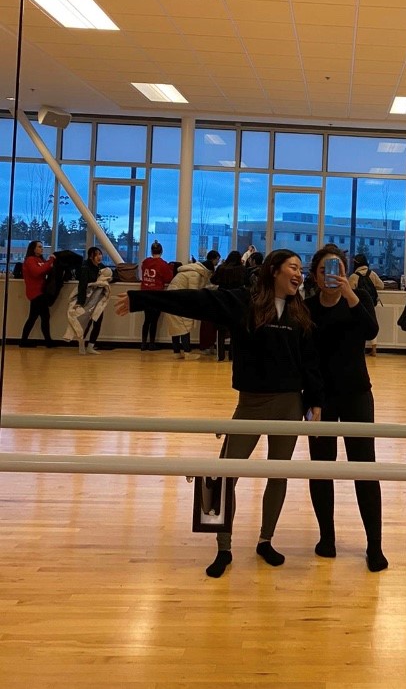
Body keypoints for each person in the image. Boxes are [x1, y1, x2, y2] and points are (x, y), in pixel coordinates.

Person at [116, 248, 323, 578]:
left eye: (301, 269)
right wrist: (141, 299)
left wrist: (315, 402)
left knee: (278, 475)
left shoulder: (301, 312)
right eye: (293, 267)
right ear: (274, 270)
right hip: (251, 404)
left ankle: (266, 541)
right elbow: (195, 301)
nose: (299, 274)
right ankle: (223, 548)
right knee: (224, 476)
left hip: (289, 405)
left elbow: (310, 361)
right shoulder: (244, 302)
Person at [305, 244, 388, 572]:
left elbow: (371, 331)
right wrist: (312, 401)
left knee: (364, 467)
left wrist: (349, 293)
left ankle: (374, 545)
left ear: (345, 272)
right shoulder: (308, 307)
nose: (330, 275)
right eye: (324, 270)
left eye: (337, 269)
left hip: (356, 394)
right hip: (321, 399)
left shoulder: (359, 299)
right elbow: (307, 357)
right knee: (321, 468)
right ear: (315, 276)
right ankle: (327, 537)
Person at [165, 257, 214, 359]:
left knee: (175, 328)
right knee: (185, 327)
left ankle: (176, 352)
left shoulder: (192, 270)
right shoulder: (195, 274)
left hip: (171, 299)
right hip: (179, 301)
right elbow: (193, 293)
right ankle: (187, 352)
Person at [211, 250, 247, 361]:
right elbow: (246, 282)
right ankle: (232, 355)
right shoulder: (242, 269)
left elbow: (213, 280)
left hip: (222, 298)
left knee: (220, 329)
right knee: (235, 329)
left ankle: (220, 355)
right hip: (237, 299)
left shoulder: (221, 268)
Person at [20, 240, 55, 348]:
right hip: (35, 293)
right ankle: (48, 342)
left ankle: (24, 341)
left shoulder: (40, 260)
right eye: (39, 247)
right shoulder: (30, 260)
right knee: (43, 316)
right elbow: (37, 272)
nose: (42, 248)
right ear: (33, 249)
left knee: (34, 317)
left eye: (42, 246)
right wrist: (50, 261)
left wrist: (50, 263)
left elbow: (45, 269)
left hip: (40, 292)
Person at [139, 240, 173, 351]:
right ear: (161, 251)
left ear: (151, 251)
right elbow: (168, 278)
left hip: (145, 293)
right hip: (157, 294)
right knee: (154, 320)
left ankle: (143, 343)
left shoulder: (145, 262)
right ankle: (152, 344)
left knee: (146, 320)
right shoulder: (163, 264)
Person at [348, 253, 384, 356]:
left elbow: (350, 290)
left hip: (358, 304)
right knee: (372, 324)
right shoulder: (372, 274)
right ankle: (374, 349)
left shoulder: (354, 276)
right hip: (371, 303)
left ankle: (360, 349)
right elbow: (381, 285)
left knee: (359, 326)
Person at [75, 246, 105, 355]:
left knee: (97, 322)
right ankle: (81, 344)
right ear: (91, 256)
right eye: (96, 255)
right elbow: (82, 285)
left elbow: (110, 275)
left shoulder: (101, 267)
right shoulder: (85, 267)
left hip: (98, 299)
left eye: (100, 254)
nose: (99, 257)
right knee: (86, 323)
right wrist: (80, 302)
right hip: (88, 299)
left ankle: (91, 346)